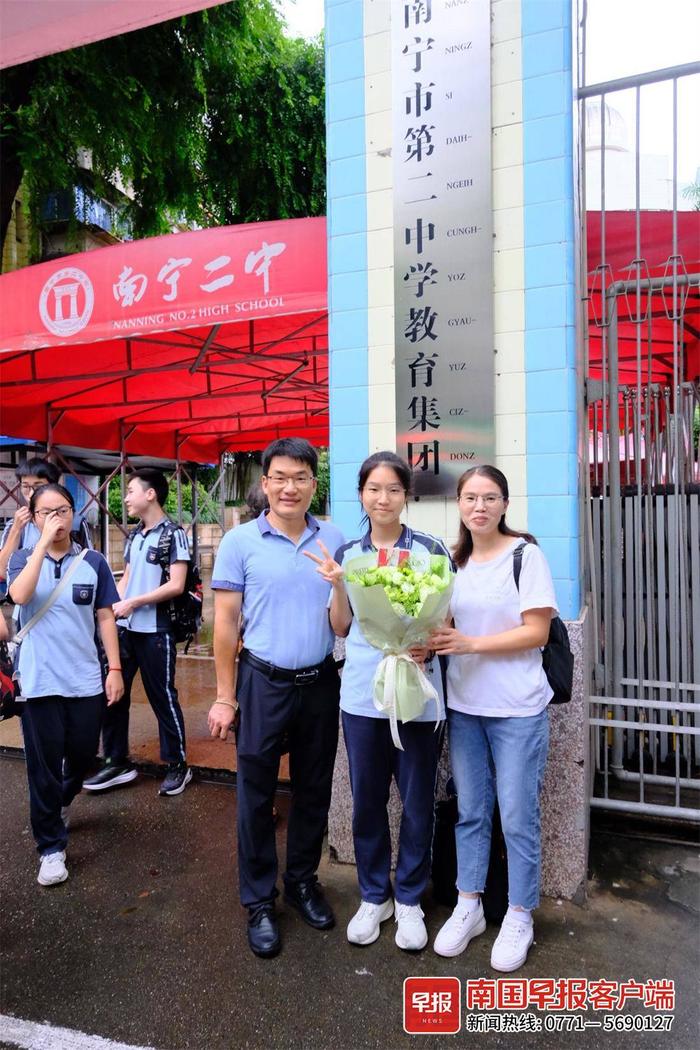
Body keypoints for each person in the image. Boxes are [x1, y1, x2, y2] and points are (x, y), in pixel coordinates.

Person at [307, 451, 450, 952]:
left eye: (393, 489)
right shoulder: (348, 553)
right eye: (373, 488)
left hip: (417, 695)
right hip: (364, 696)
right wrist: (339, 584)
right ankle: (375, 895)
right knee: (367, 800)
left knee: (416, 802)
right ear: (362, 494)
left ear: (406, 495)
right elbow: (341, 627)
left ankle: (409, 897)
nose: (383, 498)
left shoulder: (432, 550)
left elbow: (447, 622)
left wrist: (427, 643)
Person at [207, 437, 344, 959]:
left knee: (313, 790)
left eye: (301, 478)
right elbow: (225, 625)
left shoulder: (332, 538)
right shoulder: (240, 542)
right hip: (261, 681)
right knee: (256, 795)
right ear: (264, 484)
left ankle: (304, 882)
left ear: (314, 484)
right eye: (280, 477)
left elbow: (344, 616)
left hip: (319, 681)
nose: (290, 487)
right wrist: (225, 697)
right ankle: (260, 902)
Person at [429, 465, 557, 972]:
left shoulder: (526, 555)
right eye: (470, 498)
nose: (479, 506)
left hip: (517, 710)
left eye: (490, 498)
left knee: (517, 815)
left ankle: (520, 913)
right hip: (465, 707)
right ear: (458, 505)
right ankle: (469, 904)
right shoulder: (452, 562)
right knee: (472, 812)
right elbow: (444, 625)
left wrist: (470, 644)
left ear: (504, 504)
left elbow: (537, 633)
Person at [7, 484, 123, 887]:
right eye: (46, 512)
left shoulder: (94, 562)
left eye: (64, 510)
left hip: (85, 678)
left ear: (75, 514)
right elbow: (20, 595)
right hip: (39, 681)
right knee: (42, 766)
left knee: (82, 755)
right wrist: (38, 545)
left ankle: (60, 800)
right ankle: (51, 848)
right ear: (34, 518)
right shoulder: (21, 559)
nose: (57, 518)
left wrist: (115, 670)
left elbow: (106, 616)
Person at [83, 469, 192, 797]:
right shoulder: (135, 535)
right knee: (114, 694)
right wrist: (113, 608)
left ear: (151, 494)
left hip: (157, 632)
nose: (126, 497)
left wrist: (133, 603)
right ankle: (117, 761)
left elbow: (177, 584)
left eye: (131, 491)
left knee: (163, 698)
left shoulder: (173, 534)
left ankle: (177, 765)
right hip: (127, 631)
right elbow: (126, 579)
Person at [0, 458, 92, 586]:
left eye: (38, 486)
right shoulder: (15, 524)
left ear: (53, 485)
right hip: (30, 598)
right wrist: (16, 529)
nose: (31, 493)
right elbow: (3, 571)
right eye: (25, 486)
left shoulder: (75, 522)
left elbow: (91, 565)